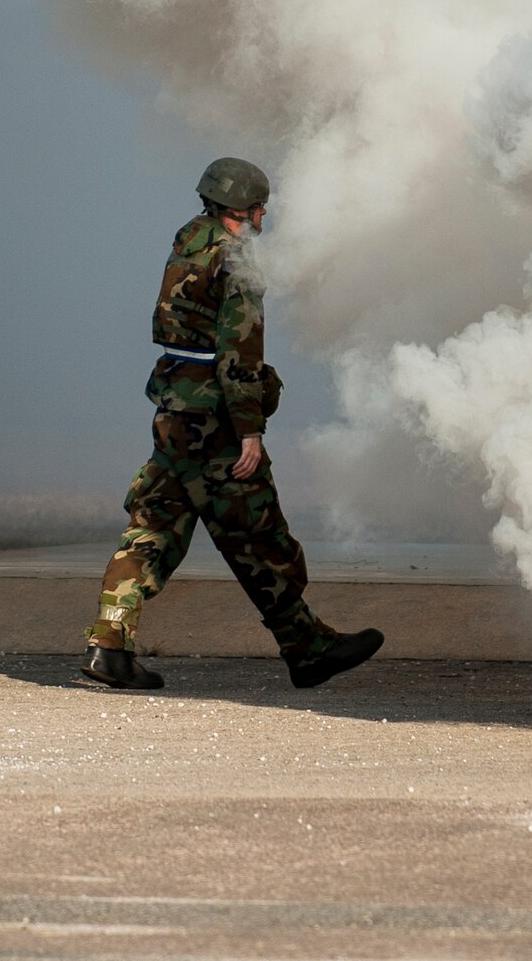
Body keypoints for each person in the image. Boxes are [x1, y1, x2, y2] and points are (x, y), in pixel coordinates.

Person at [80, 157, 383, 690]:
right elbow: (237, 355)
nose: (265, 216)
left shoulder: (187, 243)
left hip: (174, 416)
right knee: (258, 535)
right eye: (261, 207)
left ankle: (110, 646)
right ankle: (308, 649)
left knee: (152, 530)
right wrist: (250, 429)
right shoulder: (236, 262)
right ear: (245, 209)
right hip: (216, 425)